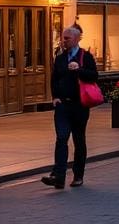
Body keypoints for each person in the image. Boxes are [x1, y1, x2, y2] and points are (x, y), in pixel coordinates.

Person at [42, 26, 98, 189]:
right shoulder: (60, 58)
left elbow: (94, 76)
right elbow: (54, 79)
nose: (64, 41)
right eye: (63, 38)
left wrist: (79, 70)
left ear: (76, 39)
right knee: (61, 138)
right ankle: (58, 176)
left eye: (67, 38)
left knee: (79, 140)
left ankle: (78, 175)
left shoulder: (85, 57)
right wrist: (55, 97)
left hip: (80, 105)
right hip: (63, 105)